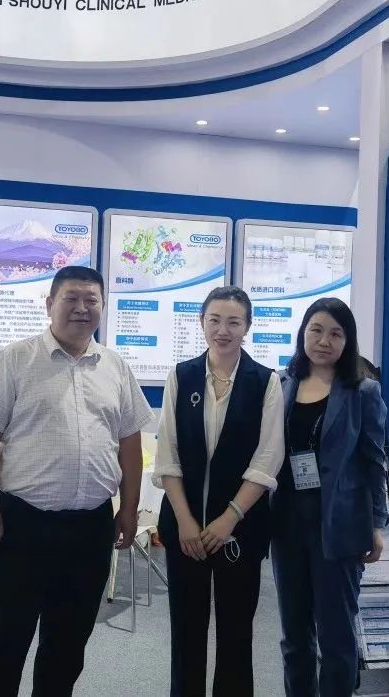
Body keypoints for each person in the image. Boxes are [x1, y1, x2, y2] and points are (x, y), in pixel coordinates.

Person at [0, 265, 153, 697]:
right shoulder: (16, 359)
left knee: (68, 642)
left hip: (90, 526)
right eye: (71, 298)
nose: (82, 308)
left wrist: (128, 508)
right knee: (4, 638)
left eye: (91, 300)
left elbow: (129, 441)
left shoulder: (115, 366)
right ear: (50, 304)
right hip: (23, 523)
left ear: (103, 306)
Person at [153, 286, 284, 696]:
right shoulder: (182, 375)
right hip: (185, 529)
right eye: (214, 320)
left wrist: (229, 518)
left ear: (247, 327)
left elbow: (267, 459)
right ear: (202, 322)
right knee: (186, 632)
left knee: (236, 634)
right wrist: (185, 521)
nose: (223, 330)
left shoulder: (266, 382)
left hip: (241, 530)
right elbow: (167, 453)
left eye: (233, 322)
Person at [271, 297, 389, 697]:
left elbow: (374, 461)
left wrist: (378, 525)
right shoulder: (281, 385)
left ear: (347, 341)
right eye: (316, 330)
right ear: (303, 333)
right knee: (294, 635)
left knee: (336, 636)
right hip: (287, 524)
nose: (324, 341)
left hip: (340, 525)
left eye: (336, 334)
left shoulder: (363, 391)